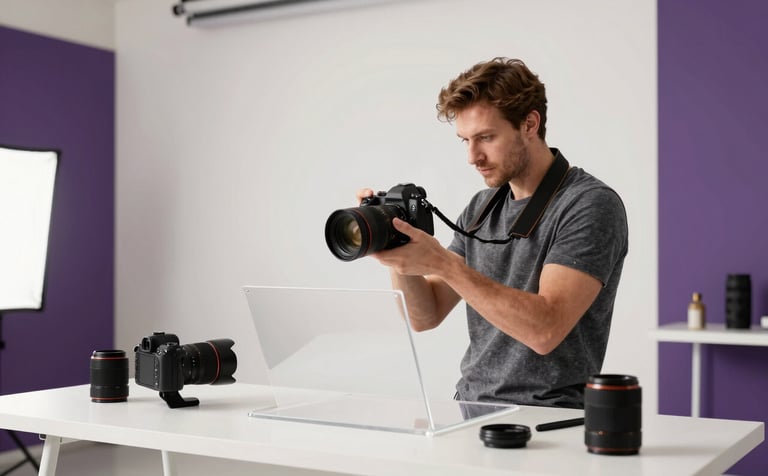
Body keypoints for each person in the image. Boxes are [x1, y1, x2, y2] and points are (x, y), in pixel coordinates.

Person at [357, 57, 628, 408]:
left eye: (486, 137)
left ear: (530, 123)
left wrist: (443, 263)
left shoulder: (589, 204)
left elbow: (545, 330)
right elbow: (424, 315)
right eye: (465, 140)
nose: (472, 156)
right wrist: (396, 244)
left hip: (549, 421)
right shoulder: (481, 208)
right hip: (471, 409)